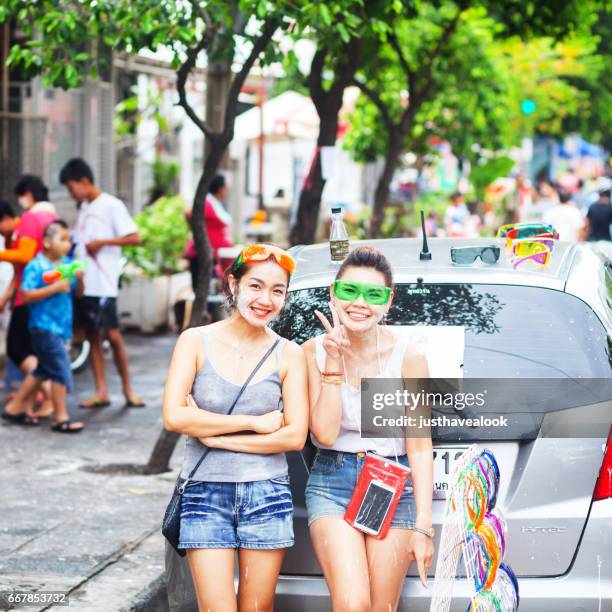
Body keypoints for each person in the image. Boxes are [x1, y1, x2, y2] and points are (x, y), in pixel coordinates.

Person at [163, 243, 308, 612]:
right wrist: (253, 424)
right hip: (203, 491)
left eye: (278, 290)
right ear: (233, 284)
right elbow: (175, 417)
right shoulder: (195, 341)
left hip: (267, 491)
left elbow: (294, 435)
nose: (266, 299)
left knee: (257, 608)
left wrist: (212, 435)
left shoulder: (289, 353)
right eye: (256, 286)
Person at [303, 246, 434, 612]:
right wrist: (332, 361)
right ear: (333, 293)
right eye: (349, 291)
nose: (360, 303)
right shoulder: (310, 353)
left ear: (388, 301)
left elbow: (420, 445)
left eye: (373, 294)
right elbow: (325, 435)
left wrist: (424, 528)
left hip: (392, 483)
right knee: (353, 604)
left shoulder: (408, 356)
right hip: (332, 480)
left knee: (381, 607)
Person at [59, 158, 145, 409]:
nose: (70, 193)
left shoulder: (111, 205)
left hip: (104, 283)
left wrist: (103, 243)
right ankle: (101, 390)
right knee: (93, 336)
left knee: (113, 335)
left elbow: (135, 237)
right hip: (87, 283)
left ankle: (128, 389)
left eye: (71, 187)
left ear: (84, 181)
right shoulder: (84, 207)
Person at [4, 220, 85, 432]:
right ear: (47, 242)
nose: (67, 244)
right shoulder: (36, 265)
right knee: (60, 370)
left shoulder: (65, 266)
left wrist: (79, 278)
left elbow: (78, 292)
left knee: (42, 370)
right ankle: (60, 417)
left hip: (61, 328)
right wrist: (56, 287)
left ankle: (14, 408)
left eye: (69, 240)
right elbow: (27, 295)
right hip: (44, 327)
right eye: (63, 239)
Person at [0, 177, 58, 422]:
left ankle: (49, 399)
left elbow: (24, 255)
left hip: (31, 296)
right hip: (49, 295)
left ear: (28, 194)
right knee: (37, 351)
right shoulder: (53, 220)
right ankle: (42, 400)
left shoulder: (30, 218)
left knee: (17, 348)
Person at [184, 174, 233, 291]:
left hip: (213, 254)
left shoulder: (215, 203)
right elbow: (189, 214)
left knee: (212, 288)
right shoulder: (206, 202)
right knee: (203, 290)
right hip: (201, 253)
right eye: (225, 187)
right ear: (220, 188)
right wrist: (197, 232)